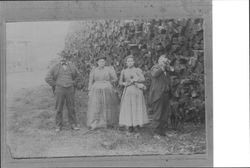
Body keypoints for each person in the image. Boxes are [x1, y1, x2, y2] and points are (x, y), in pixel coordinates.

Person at [45, 55, 80, 132]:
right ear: (59, 58)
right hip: (59, 89)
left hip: (70, 89)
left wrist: (73, 83)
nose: (63, 59)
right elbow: (47, 78)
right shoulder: (55, 67)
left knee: (71, 107)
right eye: (62, 57)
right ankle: (58, 125)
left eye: (65, 57)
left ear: (67, 58)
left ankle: (73, 124)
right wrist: (55, 84)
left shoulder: (72, 66)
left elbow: (78, 76)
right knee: (58, 108)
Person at [87, 56, 119, 130]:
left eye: (103, 61)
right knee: (96, 105)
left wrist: (108, 82)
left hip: (107, 88)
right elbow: (90, 81)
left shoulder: (109, 69)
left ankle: (108, 122)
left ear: (105, 62)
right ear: (97, 62)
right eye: (100, 61)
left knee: (107, 104)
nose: (102, 63)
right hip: (96, 88)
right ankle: (95, 123)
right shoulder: (94, 70)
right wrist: (89, 90)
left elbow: (115, 78)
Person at [119, 55, 149, 133]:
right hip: (128, 90)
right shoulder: (124, 71)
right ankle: (130, 125)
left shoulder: (137, 70)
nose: (130, 62)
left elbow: (143, 79)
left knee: (136, 106)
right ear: (126, 63)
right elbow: (120, 82)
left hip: (136, 90)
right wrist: (124, 83)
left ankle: (136, 124)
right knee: (129, 107)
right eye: (128, 61)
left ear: (134, 62)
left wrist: (135, 80)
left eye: (131, 61)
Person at [148, 55, 174, 136]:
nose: (165, 63)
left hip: (166, 94)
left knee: (165, 114)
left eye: (166, 61)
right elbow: (154, 74)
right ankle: (155, 133)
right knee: (157, 114)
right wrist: (162, 67)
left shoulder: (166, 69)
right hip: (158, 95)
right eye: (163, 61)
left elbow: (173, 70)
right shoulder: (155, 67)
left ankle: (162, 132)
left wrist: (168, 66)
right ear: (159, 61)